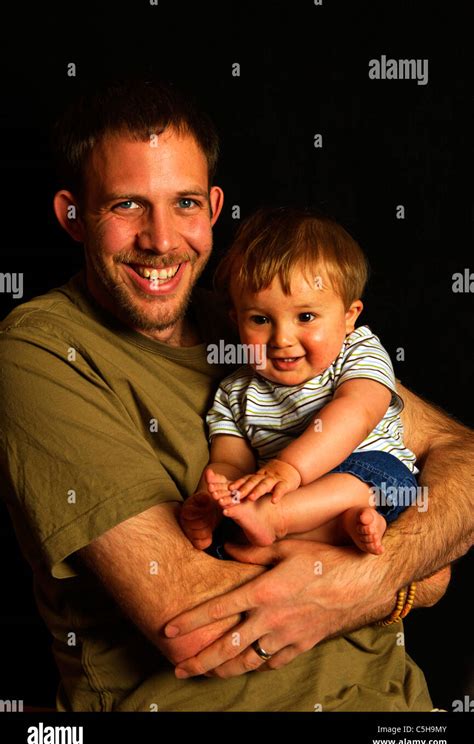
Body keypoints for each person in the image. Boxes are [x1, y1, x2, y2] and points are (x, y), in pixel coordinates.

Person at [0, 79, 471, 712]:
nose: (162, 240)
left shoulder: (260, 317)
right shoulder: (40, 350)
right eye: (127, 206)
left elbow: (460, 453)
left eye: (185, 203)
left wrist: (391, 569)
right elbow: (189, 614)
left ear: (215, 207)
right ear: (73, 216)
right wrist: (420, 574)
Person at [180, 207, 420, 556]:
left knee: (361, 481)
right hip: (290, 503)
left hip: (370, 473)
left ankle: (286, 522)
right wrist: (213, 498)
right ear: (236, 320)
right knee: (243, 519)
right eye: (260, 319)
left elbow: (356, 411)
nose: (282, 338)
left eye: (305, 316)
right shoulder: (235, 392)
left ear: (349, 316)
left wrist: (289, 467)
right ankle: (348, 527)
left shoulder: (357, 351)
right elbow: (231, 462)